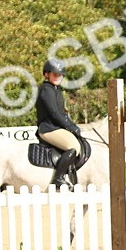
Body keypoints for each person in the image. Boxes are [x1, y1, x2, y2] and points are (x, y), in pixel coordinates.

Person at [35, 58, 82, 188]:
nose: (58, 77)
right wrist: (71, 127)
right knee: (73, 147)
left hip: (56, 127)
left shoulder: (55, 90)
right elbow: (55, 113)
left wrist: (72, 125)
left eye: (60, 75)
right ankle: (58, 178)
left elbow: (62, 114)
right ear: (46, 74)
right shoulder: (46, 90)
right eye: (54, 74)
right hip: (48, 129)